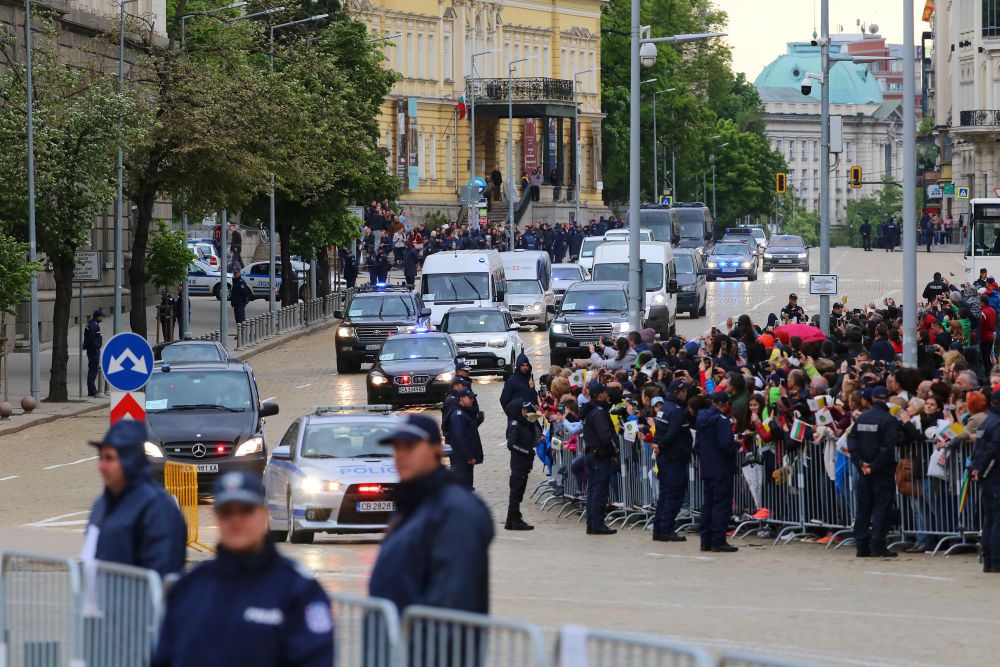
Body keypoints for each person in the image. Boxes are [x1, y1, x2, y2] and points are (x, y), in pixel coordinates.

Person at [152, 471, 333, 667]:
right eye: (227, 512)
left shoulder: (298, 590)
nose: (236, 520)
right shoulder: (190, 588)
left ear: (263, 514)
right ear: (216, 517)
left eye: (246, 510)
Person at [369, 415, 493, 613]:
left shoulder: (456, 510)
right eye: (397, 448)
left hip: (426, 640)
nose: (400, 455)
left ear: (437, 449)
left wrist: (410, 638)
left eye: (410, 447)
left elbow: (454, 595)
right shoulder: (410, 504)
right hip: (395, 638)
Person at [84, 421, 186, 576]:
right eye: (101, 458)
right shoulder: (101, 504)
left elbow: (162, 574)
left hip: (135, 600)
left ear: (130, 461)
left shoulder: (157, 507)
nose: (101, 467)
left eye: (110, 459)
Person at [847, 385, 901, 558]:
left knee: (863, 509)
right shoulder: (889, 420)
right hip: (881, 471)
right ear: (887, 400)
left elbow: (851, 439)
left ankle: (861, 546)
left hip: (864, 470)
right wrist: (874, 465)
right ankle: (877, 544)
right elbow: (887, 447)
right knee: (881, 507)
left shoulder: (863, 418)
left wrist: (860, 463)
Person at [695, 392, 740, 553]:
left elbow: (698, 445)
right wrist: (736, 445)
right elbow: (726, 444)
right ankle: (718, 540)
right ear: (724, 404)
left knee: (708, 505)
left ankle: (705, 540)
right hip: (721, 467)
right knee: (721, 505)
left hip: (707, 467)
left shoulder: (701, 419)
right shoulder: (722, 421)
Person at [651, 380, 693, 542]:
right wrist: (661, 445)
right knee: (674, 494)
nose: (686, 393)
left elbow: (661, 430)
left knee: (665, 494)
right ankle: (666, 529)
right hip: (673, 457)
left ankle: (659, 530)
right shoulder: (676, 410)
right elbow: (673, 433)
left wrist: (658, 444)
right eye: (684, 391)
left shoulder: (664, 408)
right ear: (679, 392)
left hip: (666, 456)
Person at [581, 382, 617, 535]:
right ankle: (597, 524)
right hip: (600, 455)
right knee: (599, 491)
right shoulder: (599, 412)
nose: (606, 394)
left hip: (592, 454)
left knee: (593, 490)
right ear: (598, 395)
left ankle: (592, 523)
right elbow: (605, 436)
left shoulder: (590, 410)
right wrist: (613, 451)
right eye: (603, 392)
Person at [972, 389, 1000, 572]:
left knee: (989, 519)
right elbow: (993, 450)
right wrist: (981, 470)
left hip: (987, 476)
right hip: (995, 476)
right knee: (996, 520)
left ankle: (989, 560)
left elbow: (978, 449)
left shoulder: (985, 422)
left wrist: (975, 469)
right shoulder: (996, 423)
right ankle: (995, 560)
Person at [504, 400, 539, 531]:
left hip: (524, 463)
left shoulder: (524, 423)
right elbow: (511, 444)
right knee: (516, 492)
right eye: (524, 410)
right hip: (519, 462)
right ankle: (515, 520)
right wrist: (527, 452)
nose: (526, 412)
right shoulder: (516, 424)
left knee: (518, 492)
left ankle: (511, 520)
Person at [445, 389, 484, 489]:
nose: (472, 400)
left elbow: (468, 431)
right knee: (464, 486)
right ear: (461, 399)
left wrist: (478, 421)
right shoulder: (458, 415)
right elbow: (460, 438)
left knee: (467, 485)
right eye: (470, 398)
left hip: (464, 459)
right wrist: (469, 456)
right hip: (462, 459)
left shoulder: (464, 412)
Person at [500, 353, 539, 418]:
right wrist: (511, 415)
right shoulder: (511, 381)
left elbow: (535, 402)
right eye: (522, 365)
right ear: (518, 366)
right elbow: (503, 400)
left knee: (538, 427)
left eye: (527, 365)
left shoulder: (529, 380)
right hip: (517, 418)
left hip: (531, 417)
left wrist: (532, 388)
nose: (525, 367)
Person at [83, 309, 104, 397]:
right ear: (98, 317)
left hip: (92, 349)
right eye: (101, 316)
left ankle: (91, 389)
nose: (102, 318)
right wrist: (95, 346)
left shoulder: (90, 323)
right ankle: (92, 390)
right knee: (93, 370)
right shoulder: (94, 325)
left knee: (92, 369)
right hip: (94, 350)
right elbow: (91, 338)